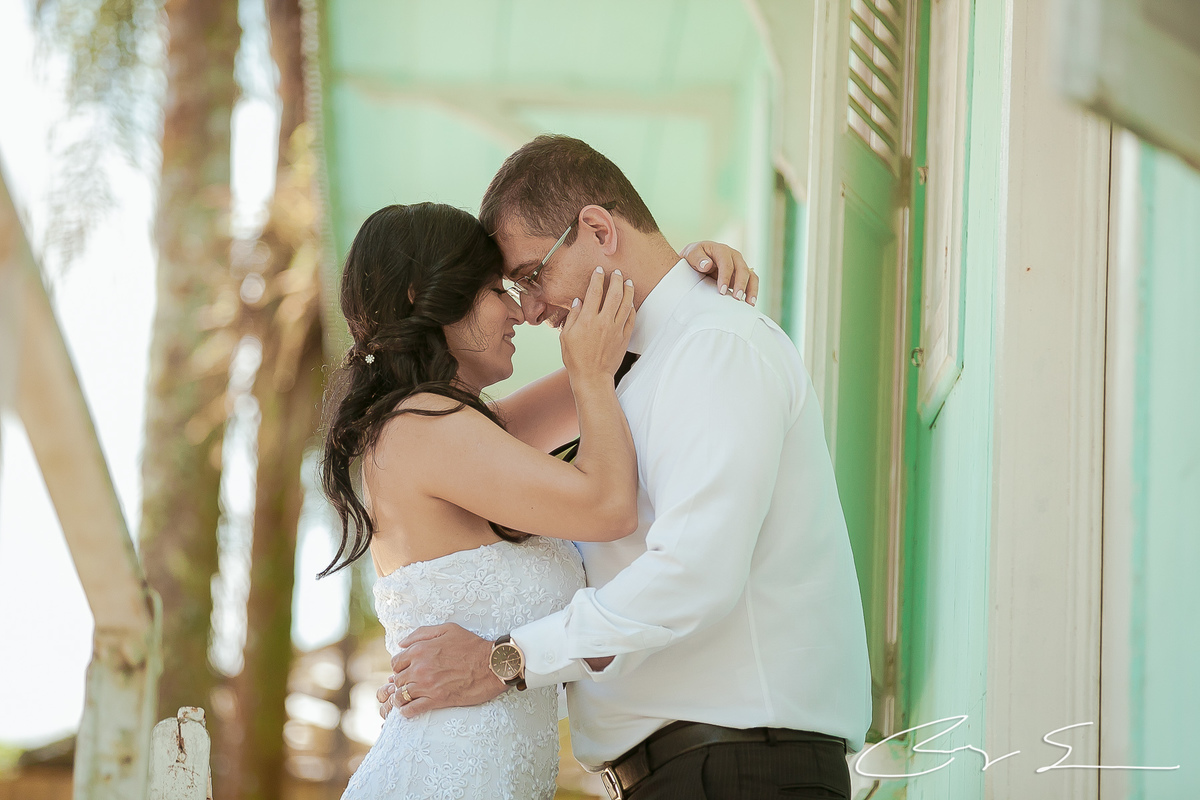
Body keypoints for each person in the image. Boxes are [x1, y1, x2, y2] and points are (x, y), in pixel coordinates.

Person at [380, 135, 873, 800]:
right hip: (683, 772)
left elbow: (695, 573)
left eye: (530, 274)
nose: (528, 309)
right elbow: (494, 448)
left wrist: (508, 660)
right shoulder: (614, 372)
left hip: (739, 765)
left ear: (597, 229)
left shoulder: (714, 349)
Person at [320, 202, 755, 799]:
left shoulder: (462, 429)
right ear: (429, 298)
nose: (518, 313)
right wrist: (591, 377)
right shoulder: (420, 428)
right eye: (494, 289)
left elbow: (625, 351)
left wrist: (682, 279)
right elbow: (608, 506)